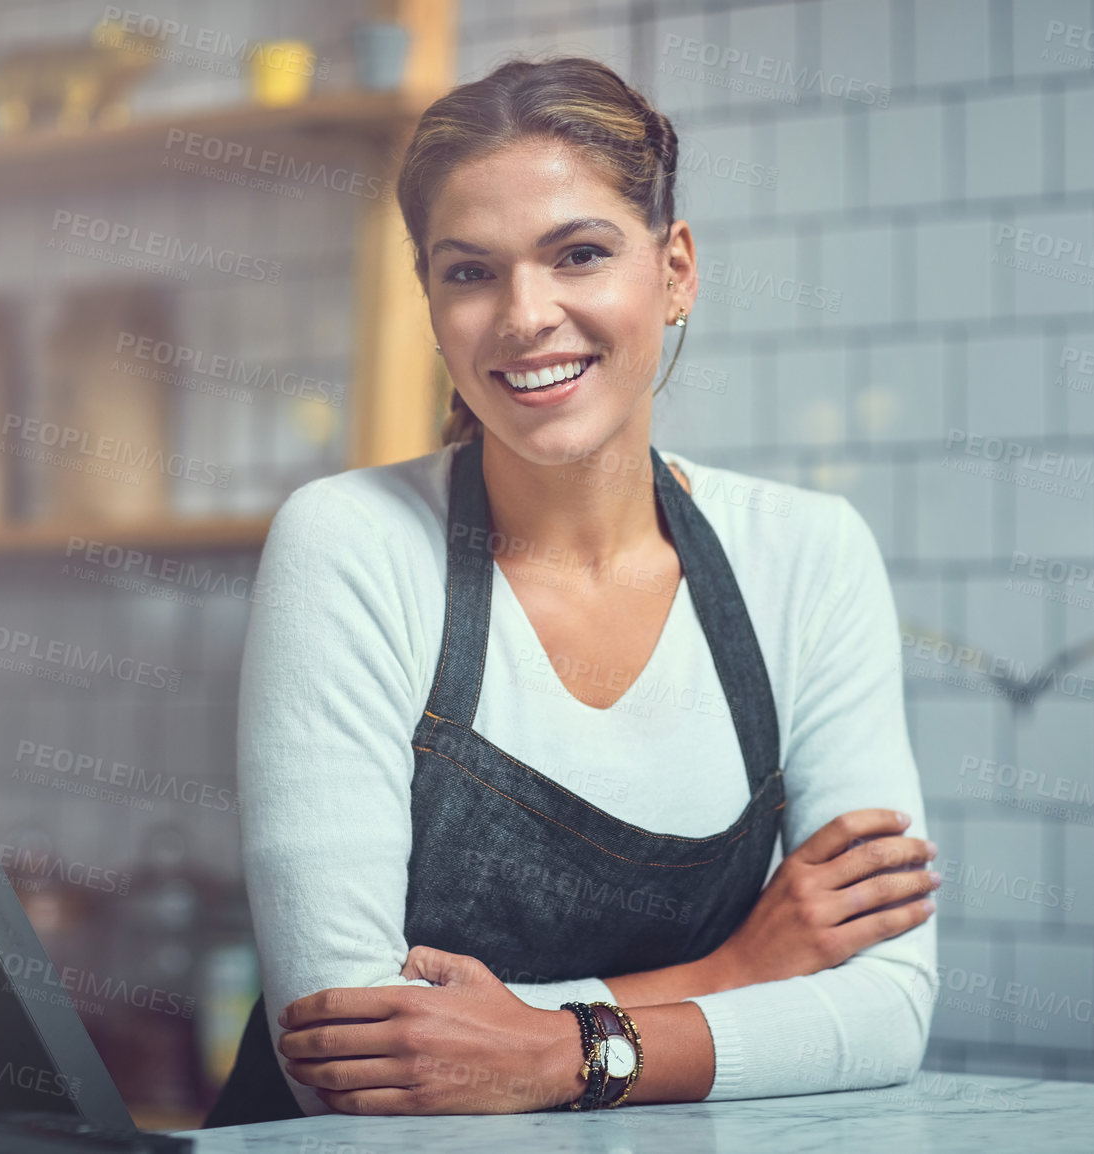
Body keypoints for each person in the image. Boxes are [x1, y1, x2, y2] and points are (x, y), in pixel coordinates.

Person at [204, 56, 939, 1123]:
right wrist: (738, 968)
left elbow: (883, 1010)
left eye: (579, 254)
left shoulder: (808, 555)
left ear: (675, 269)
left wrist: (552, 1051)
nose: (523, 315)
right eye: (469, 272)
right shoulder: (350, 544)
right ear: (431, 303)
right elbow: (346, 1053)